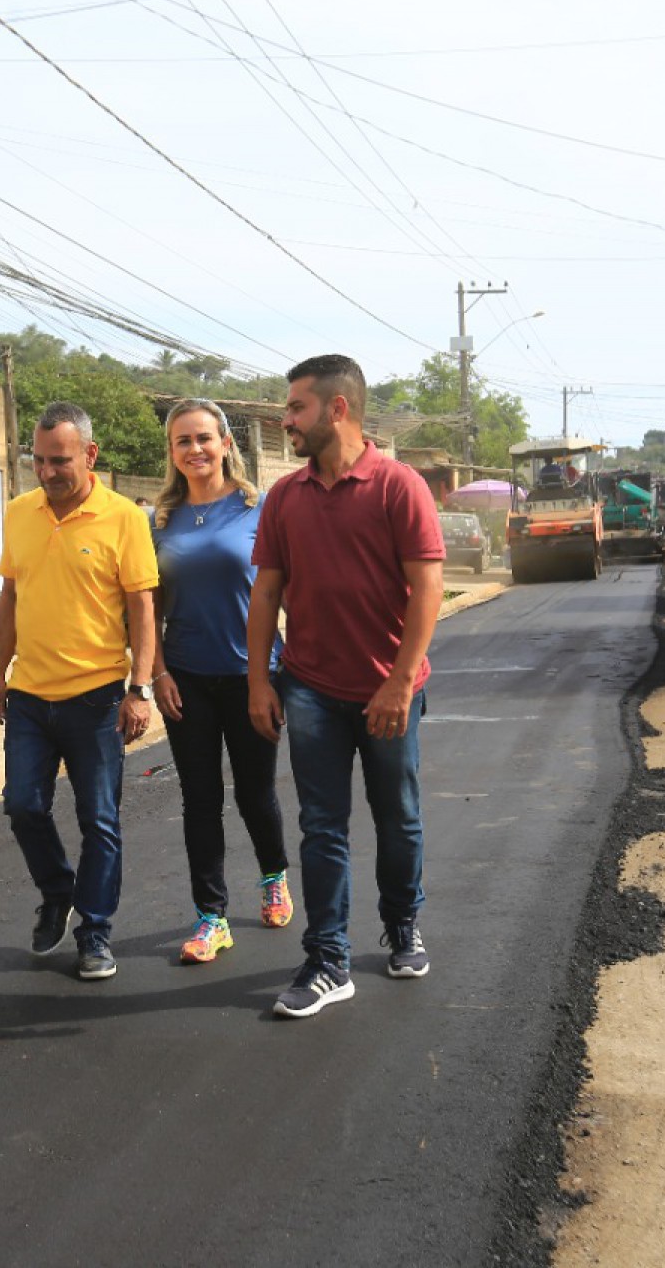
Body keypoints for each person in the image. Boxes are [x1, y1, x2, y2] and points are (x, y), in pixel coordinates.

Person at [248, 355, 446, 1020]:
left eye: (295, 407)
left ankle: (402, 922)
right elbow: (266, 592)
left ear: (337, 409)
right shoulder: (285, 497)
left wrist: (398, 682)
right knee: (322, 825)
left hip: (390, 689)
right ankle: (328, 958)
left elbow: (427, 588)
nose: (286, 420)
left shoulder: (398, 486)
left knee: (398, 816)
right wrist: (258, 681)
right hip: (309, 688)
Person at [0, 403, 158, 982]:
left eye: (59, 460)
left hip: (97, 698)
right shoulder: (19, 512)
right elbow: (11, 598)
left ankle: (95, 932)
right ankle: (58, 891)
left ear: (90, 454)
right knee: (23, 805)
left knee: (99, 820)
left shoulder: (123, 518)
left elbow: (141, 608)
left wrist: (140, 688)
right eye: (38, 460)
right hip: (30, 697)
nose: (46, 471)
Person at [148, 399, 291, 966]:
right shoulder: (159, 520)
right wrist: (157, 672)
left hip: (253, 675)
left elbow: (286, 589)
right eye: (183, 441)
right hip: (185, 677)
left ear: (226, 443)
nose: (195, 449)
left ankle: (274, 876)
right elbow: (148, 607)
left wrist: (291, 670)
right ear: (172, 452)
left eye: (204, 438)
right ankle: (211, 916)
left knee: (256, 792)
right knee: (200, 799)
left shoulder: (260, 509)